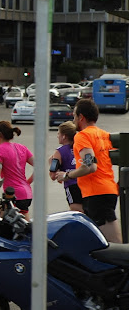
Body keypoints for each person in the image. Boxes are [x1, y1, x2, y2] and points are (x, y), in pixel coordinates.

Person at [54, 99, 121, 243]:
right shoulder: (103, 134)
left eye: (74, 116)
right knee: (98, 241)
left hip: (96, 193)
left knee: (112, 242)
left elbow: (90, 166)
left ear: (81, 117)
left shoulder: (82, 136)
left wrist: (67, 175)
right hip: (107, 190)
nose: (73, 120)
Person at [0, 121, 34, 212]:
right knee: (1, 220)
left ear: (0, 134)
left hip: (14, 195)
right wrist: (27, 182)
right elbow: (39, 166)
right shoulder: (21, 147)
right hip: (26, 193)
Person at [49, 121, 83, 213]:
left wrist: (50, 163)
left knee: (77, 213)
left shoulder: (59, 152)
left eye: (58, 133)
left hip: (72, 186)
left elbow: (53, 175)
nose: (57, 136)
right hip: (86, 184)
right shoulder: (82, 147)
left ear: (64, 136)